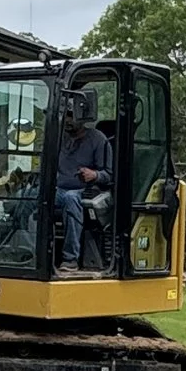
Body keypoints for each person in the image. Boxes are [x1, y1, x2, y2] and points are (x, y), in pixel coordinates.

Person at [54, 89, 112, 270]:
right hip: (58, 189)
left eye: (71, 115)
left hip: (86, 191)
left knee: (71, 198)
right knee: (30, 195)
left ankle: (70, 259)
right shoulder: (58, 139)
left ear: (82, 116)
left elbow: (109, 175)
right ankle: (25, 250)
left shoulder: (98, 140)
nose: (68, 120)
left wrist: (95, 175)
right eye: (65, 115)